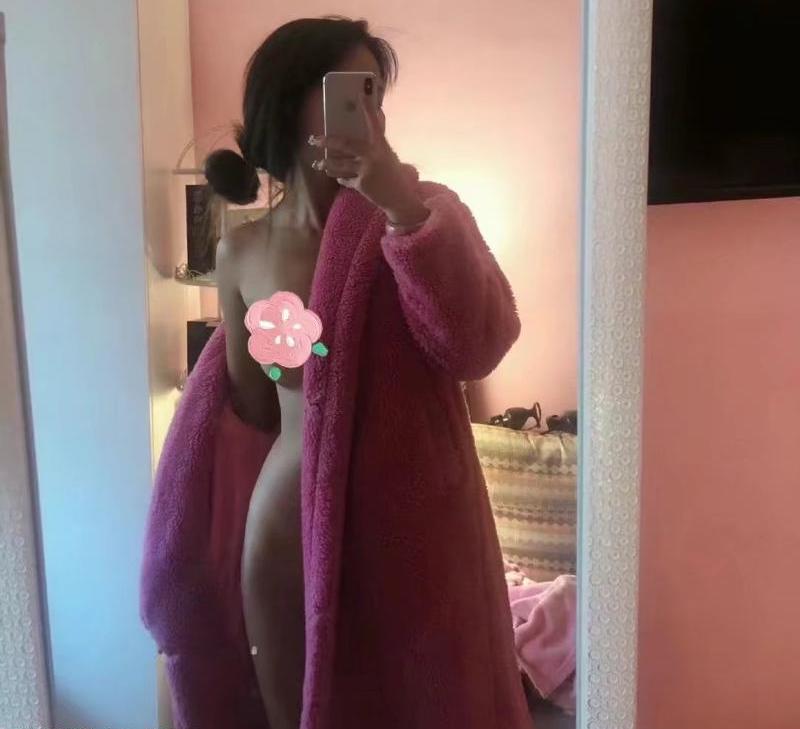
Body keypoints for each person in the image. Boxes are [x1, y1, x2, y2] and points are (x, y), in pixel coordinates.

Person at [203, 16, 527, 729]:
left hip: (411, 533)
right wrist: (304, 353)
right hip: (286, 529)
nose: (371, 112)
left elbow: (477, 346)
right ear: (291, 102)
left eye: (376, 94)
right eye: (353, 91)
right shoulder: (242, 252)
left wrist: (401, 208)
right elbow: (252, 406)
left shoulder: (426, 214)